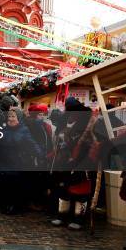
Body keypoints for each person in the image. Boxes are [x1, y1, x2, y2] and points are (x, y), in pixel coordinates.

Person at [50, 97, 95, 230]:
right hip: (64, 161)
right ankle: (62, 216)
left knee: (81, 192)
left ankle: (79, 219)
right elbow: (58, 138)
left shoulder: (89, 122)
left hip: (82, 162)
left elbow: (94, 142)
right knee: (64, 190)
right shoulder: (65, 120)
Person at [0, 108, 42, 214]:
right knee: (5, 184)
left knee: (15, 185)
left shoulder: (24, 130)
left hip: (17, 162)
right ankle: (6, 204)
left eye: (13, 116)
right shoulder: (3, 129)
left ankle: (15, 206)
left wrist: (41, 154)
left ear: (18, 118)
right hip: (3, 161)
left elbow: (32, 143)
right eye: (9, 116)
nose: (10, 119)